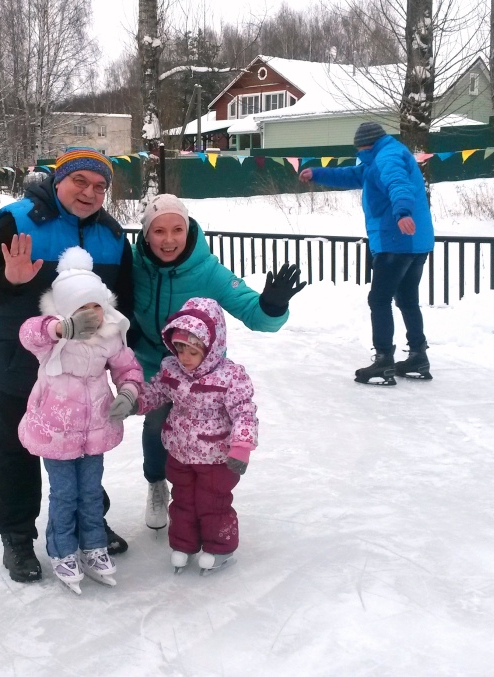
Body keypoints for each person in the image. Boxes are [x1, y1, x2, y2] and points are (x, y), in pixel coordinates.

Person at [0, 148, 133, 584]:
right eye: (80, 181)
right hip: (19, 362)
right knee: (15, 450)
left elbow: (124, 304)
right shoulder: (17, 221)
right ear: (59, 181)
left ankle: (90, 525)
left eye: (100, 186)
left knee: (84, 448)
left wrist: (124, 363)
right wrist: (8, 279)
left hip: (81, 373)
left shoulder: (112, 237)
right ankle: (17, 535)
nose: (90, 192)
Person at [131, 194, 303, 533]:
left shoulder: (207, 271)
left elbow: (254, 314)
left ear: (188, 230)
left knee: (202, 433)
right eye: (159, 231)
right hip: (154, 364)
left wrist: (271, 306)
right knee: (156, 425)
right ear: (146, 235)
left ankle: (204, 494)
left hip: (202, 372)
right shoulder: (135, 265)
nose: (169, 240)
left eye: (177, 230)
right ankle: (156, 483)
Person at [17, 247, 143, 593]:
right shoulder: (53, 339)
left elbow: (128, 368)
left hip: (94, 429)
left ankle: (93, 546)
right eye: (81, 308)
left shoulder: (110, 335)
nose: (92, 314)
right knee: (64, 494)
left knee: (90, 492)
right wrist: (62, 328)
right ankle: (62, 550)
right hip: (56, 432)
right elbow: (29, 332)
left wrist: (129, 392)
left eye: (96, 306)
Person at [115, 297, 257, 575]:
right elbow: (156, 392)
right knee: (183, 501)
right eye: (180, 349)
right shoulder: (172, 369)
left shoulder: (230, 376)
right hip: (179, 452)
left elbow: (244, 412)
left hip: (217, 458)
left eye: (193, 351)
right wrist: (135, 402)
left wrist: (241, 446)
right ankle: (184, 544)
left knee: (213, 503)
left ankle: (220, 547)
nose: (185, 357)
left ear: (212, 347)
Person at [298, 121, 435, 385]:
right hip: (415, 241)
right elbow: (353, 175)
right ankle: (418, 356)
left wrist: (402, 212)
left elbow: (398, 183)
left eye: (359, 149)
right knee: (407, 300)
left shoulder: (387, 158)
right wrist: (317, 173)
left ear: (367, 145)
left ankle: (384, 360)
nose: (358, 154)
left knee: (379, 300)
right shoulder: (382, 157)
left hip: (395, 240)